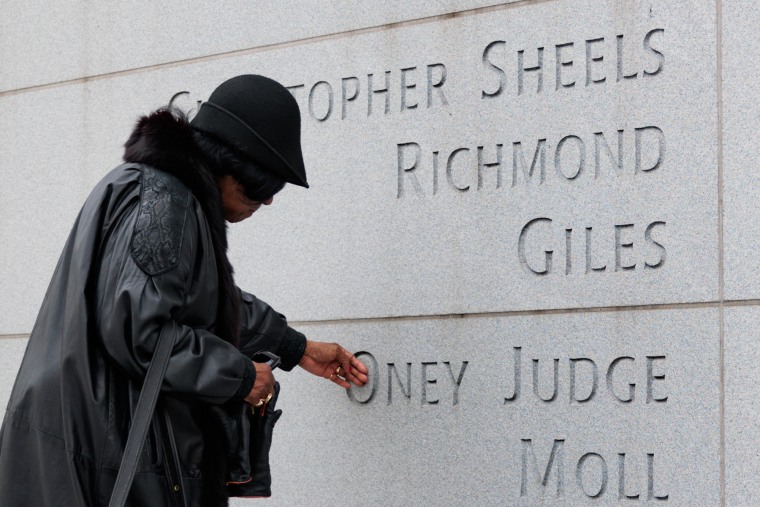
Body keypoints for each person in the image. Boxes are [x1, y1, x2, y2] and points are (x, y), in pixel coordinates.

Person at [0, 74, 368, 507]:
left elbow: (198, 301)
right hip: (104, 456)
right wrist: (242, 377)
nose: (265, 203)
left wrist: (296, 348)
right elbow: (141, 332)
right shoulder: (162, 201)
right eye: (259, 188)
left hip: (92, 441)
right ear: (228, 168)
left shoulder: (159, 190)